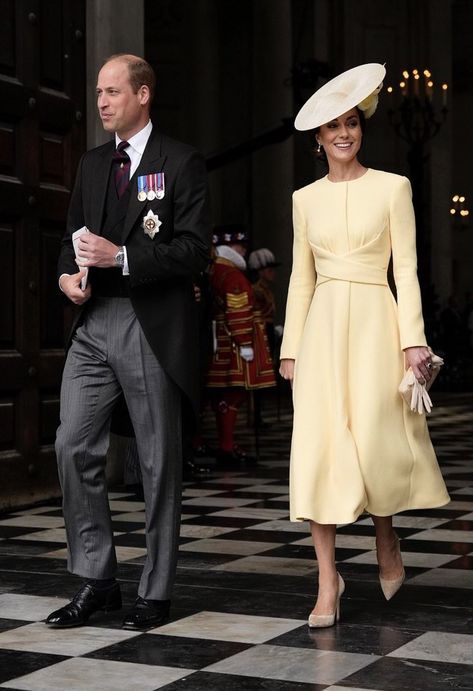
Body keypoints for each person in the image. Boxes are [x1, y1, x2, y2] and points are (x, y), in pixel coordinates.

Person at [279, 63, 450, 628]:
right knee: (318, 448)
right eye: (334, 127)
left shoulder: (393, 188)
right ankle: (328, 581)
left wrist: (413, 344)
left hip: (378, 324)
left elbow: (408, 269)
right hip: (323, 329)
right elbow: (301, 278)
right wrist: (290, 347)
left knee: (377, 440)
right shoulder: (304, 200)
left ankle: (386, 536)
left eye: (352, 122)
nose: (345, 134)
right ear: (319, 138)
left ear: (361, 128)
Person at [46, 54, 210, 631]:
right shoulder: (93, 164)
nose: (101, 102)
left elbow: (194, 251)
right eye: (98, 93)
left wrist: (122, 256)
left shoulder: (181, 162)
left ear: (144, 94)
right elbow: (70, 241)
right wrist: (66, 276)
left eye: (113, 92)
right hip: (94, 324)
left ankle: (156, 591)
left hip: (150, 321)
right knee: (72, 445)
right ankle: (98, 579)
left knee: (157, 460)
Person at [206, 225, 276, 467]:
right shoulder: (231, 274)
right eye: (240, 246)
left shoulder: (214, 270)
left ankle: (224, 444)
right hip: (232, 344)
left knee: (221, 396)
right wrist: (245, 342)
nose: (243, 249)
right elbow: (238, 311)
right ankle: (226, 447)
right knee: (233, 395)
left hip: (220, 340)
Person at [248, 247, 283, 426]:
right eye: (269, 269)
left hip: (267, 330)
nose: (272, 273)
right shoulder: (256, 291)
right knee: (257, 374)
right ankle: (255, 414)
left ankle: (258, 415)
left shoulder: (266, 290)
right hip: (259, 333)